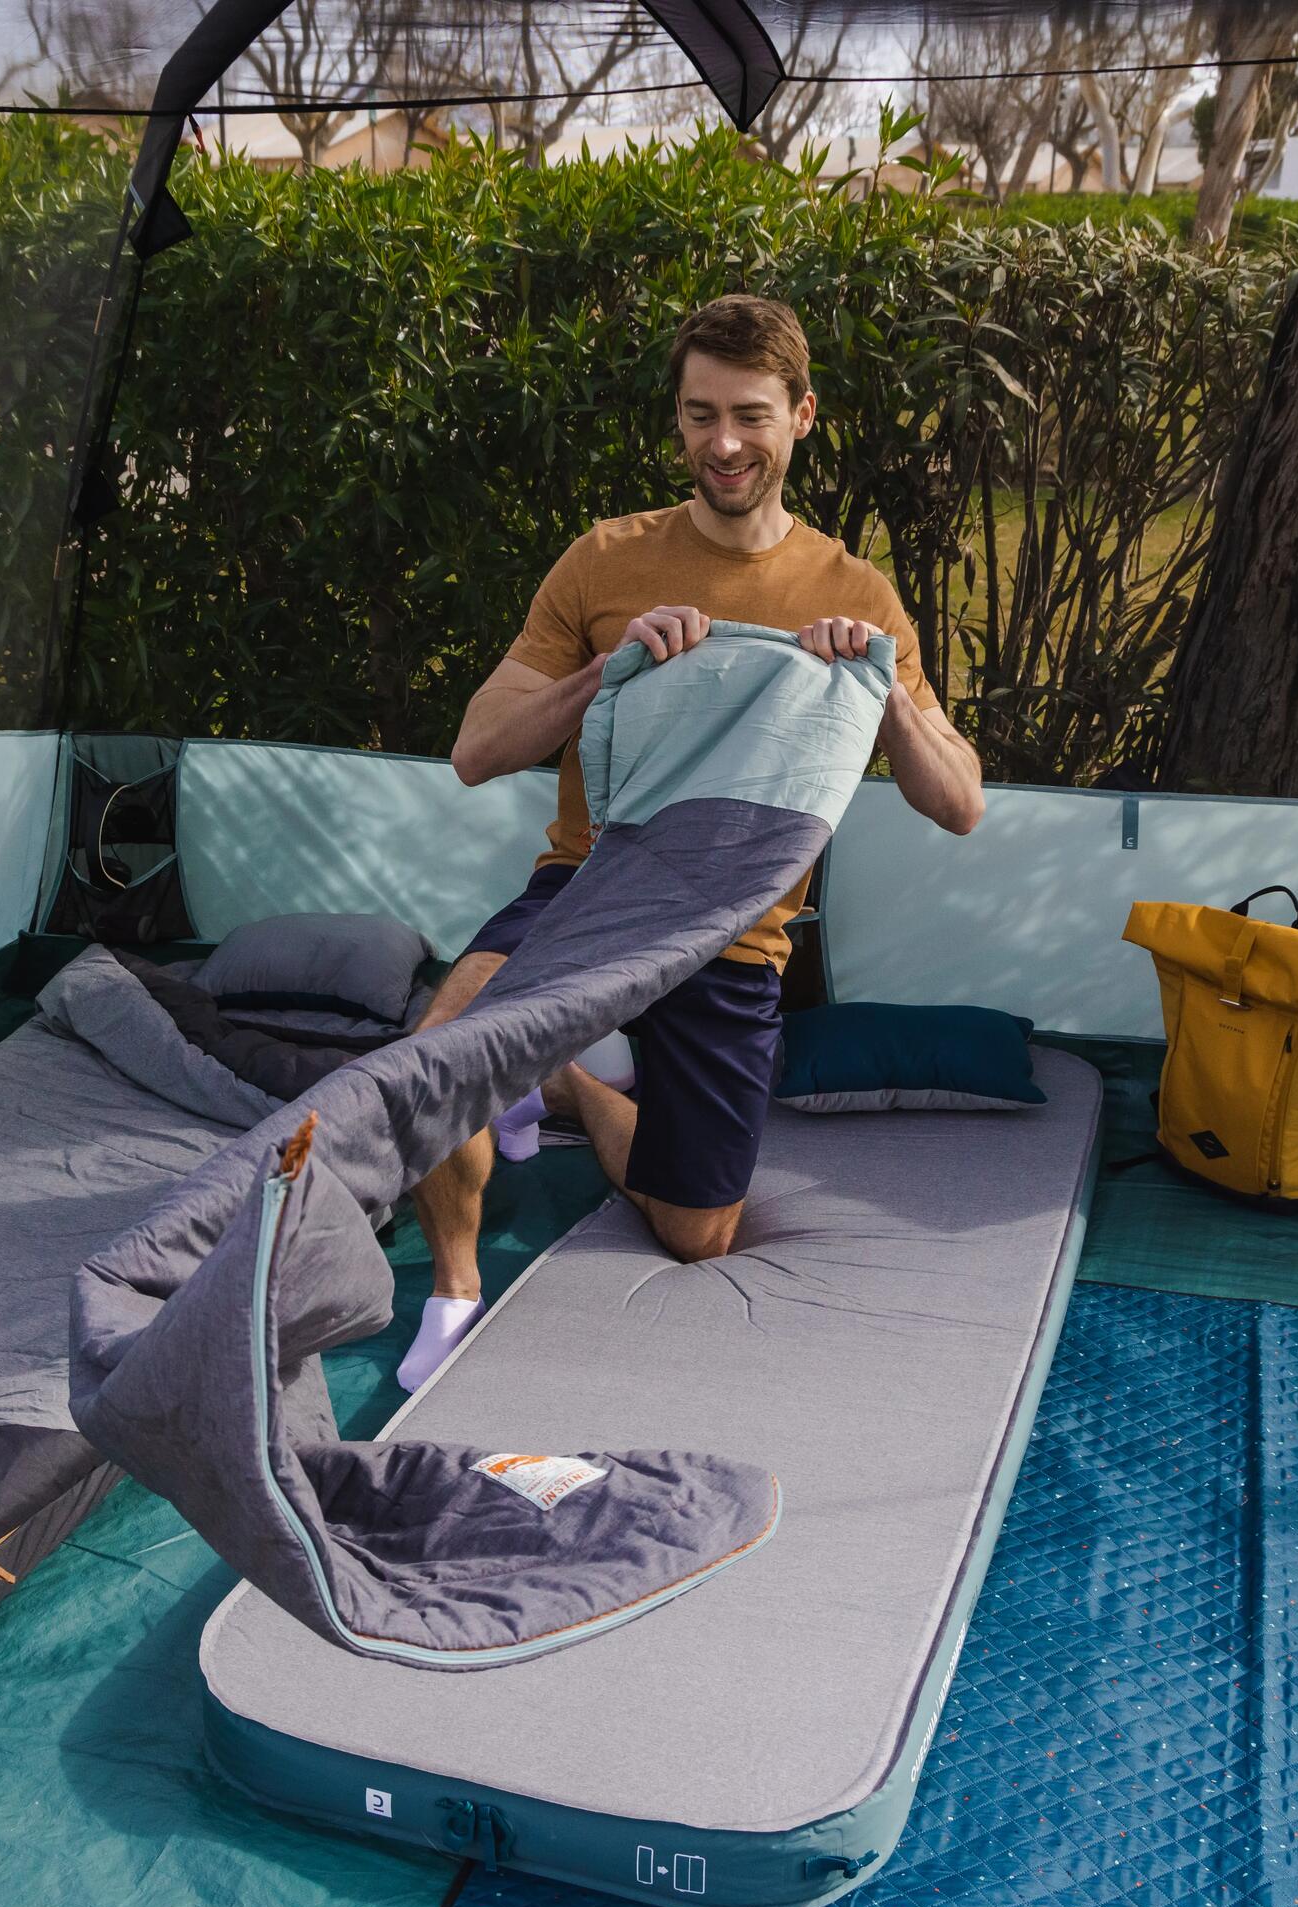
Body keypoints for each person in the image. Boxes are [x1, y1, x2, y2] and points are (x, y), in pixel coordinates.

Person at [395, 294, 985, 1391]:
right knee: (443, 1054)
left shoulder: (857, 593)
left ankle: (569, 1083)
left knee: (696, 1231)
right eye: (700, 414)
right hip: (595, 883)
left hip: (740, 928)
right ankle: (454, 1289)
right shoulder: (604, 562)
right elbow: (477, 750)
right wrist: (606, 674)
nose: (724, 443)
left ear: (801, 417)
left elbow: (958, 803)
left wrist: (878, 688)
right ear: (675, 420)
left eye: (751, 416)